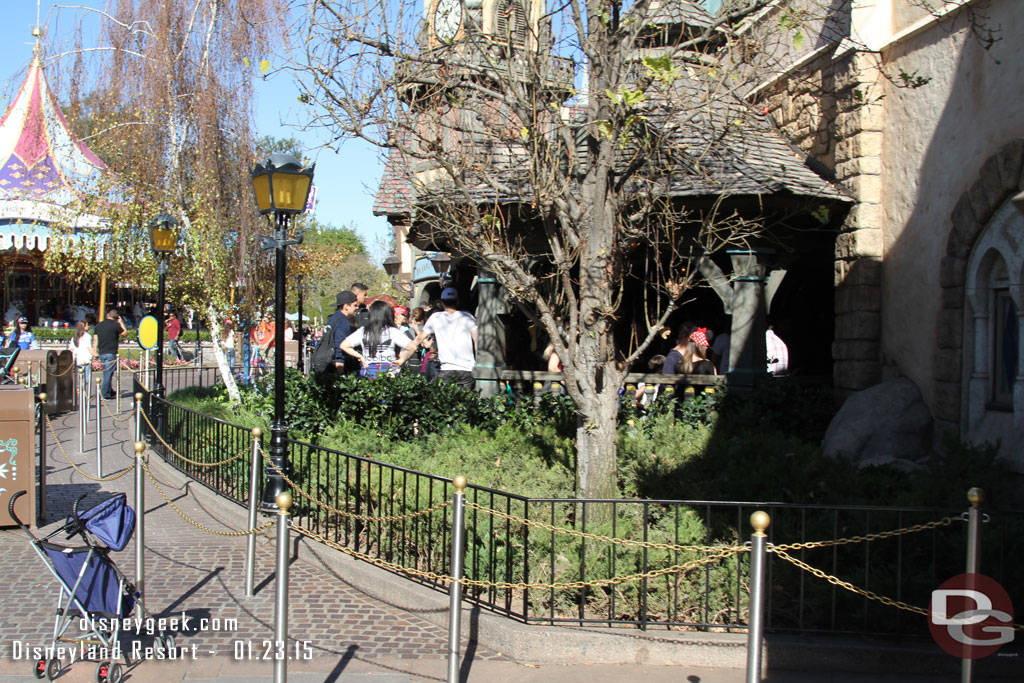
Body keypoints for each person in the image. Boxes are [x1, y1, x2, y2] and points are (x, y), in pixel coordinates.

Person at [411, 287, 477, 389]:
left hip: (446, 369)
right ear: (458, 302)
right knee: (465, 401)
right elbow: (477, 341)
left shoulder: (436, 317)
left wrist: (403, 358)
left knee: (436, 398)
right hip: (467, 371)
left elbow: (418, 339)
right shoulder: (467, 316)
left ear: (442, 303)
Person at [340, 300, 416, 378]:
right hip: (389, 372)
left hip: (368, 371)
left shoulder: (363, 331)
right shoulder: (393, 331)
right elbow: (412, 347)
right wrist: (402, 360)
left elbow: (344, 345)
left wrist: (361, 357)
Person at [92, 308, 127, 400]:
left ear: (107, 315)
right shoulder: (115, 325)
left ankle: (109, 390)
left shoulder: (99, 325)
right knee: (108, 373)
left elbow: (95, 338)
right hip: (111, 352)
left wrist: (94, 351)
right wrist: (121, 322)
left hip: (102, 351)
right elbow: (124, 333)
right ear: (116, 317)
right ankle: (105, 393)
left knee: (106, 372)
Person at [323, 291, 359, 374]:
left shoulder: (333, 318)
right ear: (346, 306)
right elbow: (339, 345)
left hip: (327, 362)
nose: (357, 308)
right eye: (355, 305)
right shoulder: (342, 321)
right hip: (335, 365)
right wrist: (340, 369)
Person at [69, 315, 96, 386]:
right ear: (84, 327)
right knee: (86, 379)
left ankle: (80, 390)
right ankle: (80, 390)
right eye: (87, 325)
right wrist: (95, 354)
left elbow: (71, 348)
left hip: (78, 360)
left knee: (81, 378)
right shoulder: (87, 336)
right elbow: (89, 347)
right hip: (86, 359)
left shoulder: (75, 336)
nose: (88, 326)